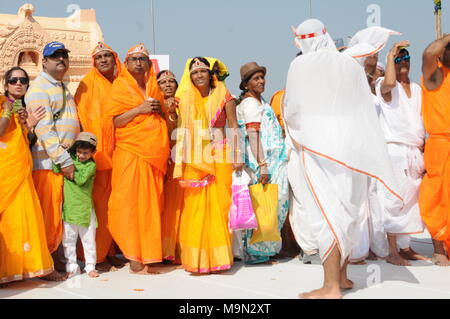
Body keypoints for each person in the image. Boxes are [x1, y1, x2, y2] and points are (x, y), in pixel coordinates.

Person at [283, 19, 402, 299]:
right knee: (346, 214)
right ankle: (344, 277)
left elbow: (292, 110)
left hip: (321, 150)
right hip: (352, 152)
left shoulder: (300, 65)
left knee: (327, 215)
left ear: (303, 41)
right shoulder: (349, 64)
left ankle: (330, 287)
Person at [103, 44, 169, 274]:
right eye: (134, 59)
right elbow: (113, 122)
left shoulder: (153, 85)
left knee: (151, 205)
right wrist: (140, 109)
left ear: (149, 63)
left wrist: (158, 111)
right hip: (129, 152)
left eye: (143, 59)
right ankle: (133, 256)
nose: (139, 62)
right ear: (127, 63)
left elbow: (161, 117)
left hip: (153, 155)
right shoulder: (120, 87)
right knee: (127, 204)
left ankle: (149, 254)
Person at [172, 57, 241, 273]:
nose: (199, 75)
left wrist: (238, 155)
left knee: (219, 207)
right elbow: (175, 125)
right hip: (194, 158)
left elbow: (234, 126)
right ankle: (198, 259)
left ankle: (218, 257)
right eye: (194, 72)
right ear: (189, 77)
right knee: (195, 209)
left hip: (220, 154)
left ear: (210, 74)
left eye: (202, 71)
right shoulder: (183, 98)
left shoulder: (224, 95)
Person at [0, 67, 62, 285]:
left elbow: (26, 141)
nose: (18, 84)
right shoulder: (1, 102)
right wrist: (7, 110)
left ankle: (30, 268)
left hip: (21, 168)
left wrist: (31, 126)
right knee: (7, 221)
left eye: (23, 80)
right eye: (13, 80)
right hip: (4, 171)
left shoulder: (24, 109)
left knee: (25, 218)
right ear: (6, 84)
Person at [25, 42, 80, 272]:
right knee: (49, 216)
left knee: (59, 215)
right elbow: (45, 131)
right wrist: (65, 161)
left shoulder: (61, 87)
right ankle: (47, 266)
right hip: (49, 163)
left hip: (60, 161)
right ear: (43, 62)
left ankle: (56, 260)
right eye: (55, 56)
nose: (61, 59)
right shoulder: (39, 89)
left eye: (64, 55)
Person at [74, 42, 125, 272]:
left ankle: (113, 251)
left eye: (107, 56)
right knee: (99, 208)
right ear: (94, 62)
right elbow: (83, 120)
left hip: (122, 153)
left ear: (115, 59)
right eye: (99, 57)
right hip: (99, 155)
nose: (104, 60)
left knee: (118, 206)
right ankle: (97, 256)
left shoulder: (124, 83)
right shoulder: (87, 84)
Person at [377, 42, 428, 265]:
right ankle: (392, 252)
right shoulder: (385, 85)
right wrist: (390, 55)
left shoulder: (417, 88)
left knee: (411, 201)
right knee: (394, 200)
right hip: (395, 151)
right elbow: (389, 81)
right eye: (398, 59)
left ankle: (405, 247)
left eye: (406, 58)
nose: (403, 62)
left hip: (414, 151)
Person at [235, 62, 289, 264]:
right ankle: (257, 252)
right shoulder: (249, 104)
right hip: (264, 162)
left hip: (275, 159)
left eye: (262, 77)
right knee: (263, 206)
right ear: (246, 84)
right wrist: (263, 165)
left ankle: (269, 247)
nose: (261, 81)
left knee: (275, 205)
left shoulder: (260, 101)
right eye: (256, 78)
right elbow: (253, 135)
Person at [420, 34, 450, 266]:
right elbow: (428, 53)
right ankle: (439, 248)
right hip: (440, 145)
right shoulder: (435, 75)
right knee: (437, 196)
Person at [56, 132, 99, 278]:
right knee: (68, 240)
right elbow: (57, 168)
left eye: (85, 153)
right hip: (69, 209)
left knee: (88, 240)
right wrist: (64, 154)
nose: (81, 156)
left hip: (85, 209)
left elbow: (79, 179)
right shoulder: (70, 158)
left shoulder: (91, 165)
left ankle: (90, 266)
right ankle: (72, 267)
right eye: (79, 152)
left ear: (93, 152)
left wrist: (68, 165)